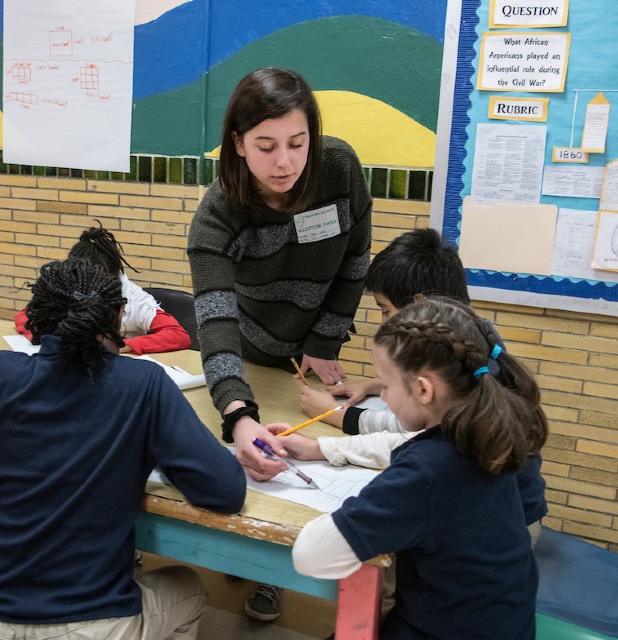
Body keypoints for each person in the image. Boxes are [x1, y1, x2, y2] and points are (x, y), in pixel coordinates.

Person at [0, 258, 245, 640]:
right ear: (119, 315)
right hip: (90, 625)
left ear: (35, 315)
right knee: (188, 587)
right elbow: (226, 492)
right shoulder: (145, 384)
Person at [186, 67, 372, 619]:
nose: (285, 162)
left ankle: (284, 569)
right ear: (238, 143)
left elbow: (357, 257)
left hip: (317, 348)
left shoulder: (338, 167)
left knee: (316, 460)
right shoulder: (217, 217)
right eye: (265, 146)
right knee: (260, 454)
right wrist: (238, 413)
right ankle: (255, 566)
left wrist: (325, 338)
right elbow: (214, 321)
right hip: (249, 345)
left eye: (297, 142)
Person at [290, 297, 548, 639]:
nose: (382, 396)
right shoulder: (486, 431)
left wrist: (368, 506)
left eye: (385, 384)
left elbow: (310, 555)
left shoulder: (426, 474)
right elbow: (403, 445)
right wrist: (319, 448)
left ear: (424, 389)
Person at [299, 228, 470, 434]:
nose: (384, 323)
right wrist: (371, 386)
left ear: (420, 305)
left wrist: (332, 412)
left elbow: (408, 432)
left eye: (386, 310)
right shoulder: (462, 333)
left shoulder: (455, 358)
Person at [14, 224, 191, 354]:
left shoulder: (136, 300)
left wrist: (124, 345)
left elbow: (178, 335)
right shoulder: (68, 290)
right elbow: (24, 316)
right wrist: (45, 335)